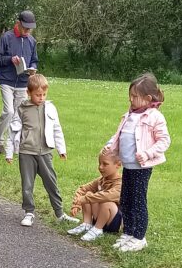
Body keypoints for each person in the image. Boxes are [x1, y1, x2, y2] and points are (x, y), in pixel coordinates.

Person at [101, 73, 171, 253]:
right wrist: (110, 146)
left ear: (148, 98)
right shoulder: (129, 115)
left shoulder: (155, 117)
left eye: (134, 96)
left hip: (141, 168)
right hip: (128, 166)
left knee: (138, 202)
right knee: (126, 200)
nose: (130, 99)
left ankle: (139, 237)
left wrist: (147, 154)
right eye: (130, 96)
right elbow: (119, 135)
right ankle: (129, 232)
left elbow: (164, 141)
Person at [5, 73, 74, 227]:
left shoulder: (50, 108)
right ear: (28, 93)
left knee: (51, 183)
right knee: (27, 185)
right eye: (37, 95)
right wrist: (9, 152)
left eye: (44, 94)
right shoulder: (21, 109)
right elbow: (12, 131)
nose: (41, 98)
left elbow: (57, 129)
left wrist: (61, 149)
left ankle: (60, 213)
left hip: (45, 153)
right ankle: (29, 212)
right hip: (26, 153)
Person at [0, 10, 39, 154]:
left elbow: (34, 60)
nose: (28, 31)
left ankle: (14, 145)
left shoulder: (32, 41)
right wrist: (10, 59)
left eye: (30, 28)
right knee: (9, 111)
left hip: (23, 82)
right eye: (26, 27)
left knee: (19, 115)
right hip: (6, 80)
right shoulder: (6, 37)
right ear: (18, 23)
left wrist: (33, 68)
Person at [66, 150, 123, 242]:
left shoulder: (121, 183)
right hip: (98, 217)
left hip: (113, 223)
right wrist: (76, 204)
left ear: (118, 165)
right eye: (99, 163)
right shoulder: (101, 180)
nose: (100, 167)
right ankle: (87, 224)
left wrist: (85, 199)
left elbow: (108, 196)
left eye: (105, 164)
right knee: (88, 193)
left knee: (106, 202)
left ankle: (98, 229)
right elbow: (82, 189)